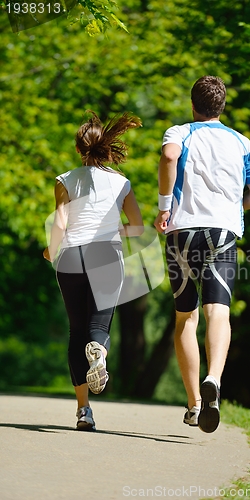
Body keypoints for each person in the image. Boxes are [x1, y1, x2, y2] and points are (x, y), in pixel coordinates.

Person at [154, 76, 250, 433]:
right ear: (222, 107)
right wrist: (233, 208)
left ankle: (194, 404)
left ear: (193, 105)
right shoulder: (241, 141)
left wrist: (163, 206)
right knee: (218, 313)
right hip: (222, 234)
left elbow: (170, 156)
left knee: (185, 318)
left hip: (182, 231)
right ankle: (214, 378)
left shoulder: (180, 132)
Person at [43, 110, 143, 431]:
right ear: (107, 147)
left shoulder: (65, 180)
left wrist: (50, 250)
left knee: (76, 332)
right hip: (107, 255)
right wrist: (115, 230)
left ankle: (84, 411)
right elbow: (138, 228)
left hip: (71, 256)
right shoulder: (121, 182)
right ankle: (99, 351)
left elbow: (60, 223)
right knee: (98, 328)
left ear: (77, 149)